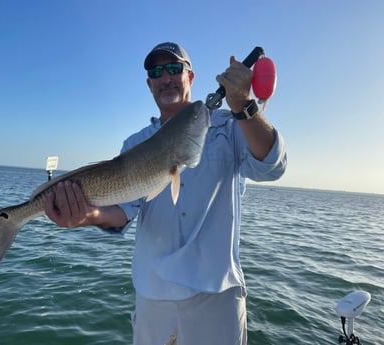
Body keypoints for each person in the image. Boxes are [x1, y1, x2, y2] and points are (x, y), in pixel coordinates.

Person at [45, 42, 287, 345]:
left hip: (217, 295)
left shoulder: (231, 124)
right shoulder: (135, 144)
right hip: (153, 296)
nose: (166, 77)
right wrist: (85, 215)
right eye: (156, 72)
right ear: (149, 84)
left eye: (174, 68)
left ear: (191, 76)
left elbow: (272, 167)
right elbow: (124, 210)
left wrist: (244, 106)